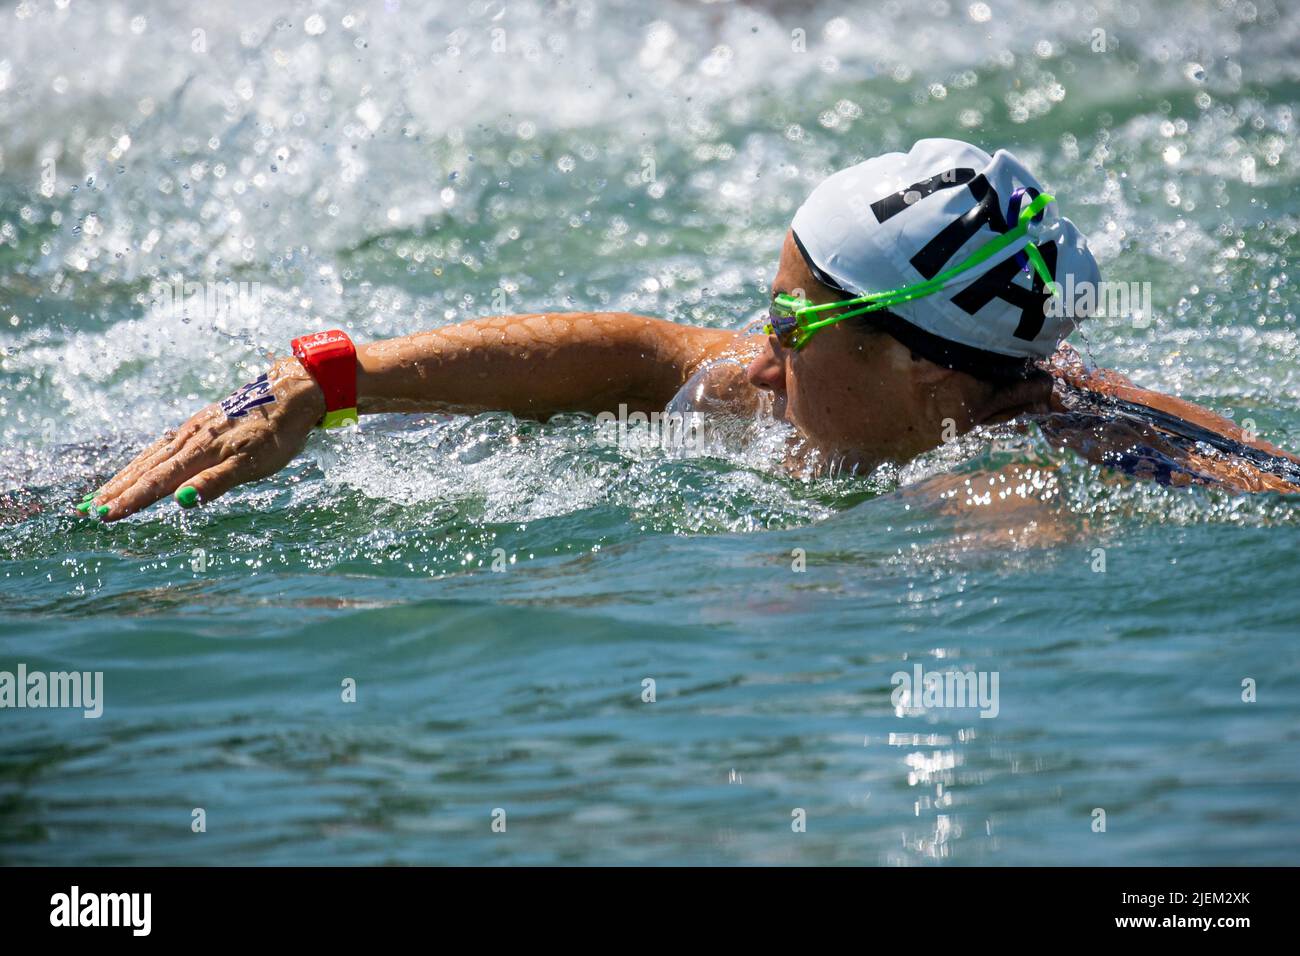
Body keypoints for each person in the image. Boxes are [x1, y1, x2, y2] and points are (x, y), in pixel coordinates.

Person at [77, 139, 1300, 523]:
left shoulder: (1009, 487)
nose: (751, 356)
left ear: (921, 367)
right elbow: (634, 351)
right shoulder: (904, 382)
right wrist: (331, 376)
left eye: (786, 324)